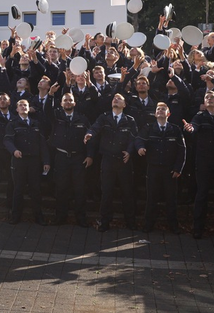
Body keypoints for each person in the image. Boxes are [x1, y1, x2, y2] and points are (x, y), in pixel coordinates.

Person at [85, 93, 138, 231]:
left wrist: (129, 151)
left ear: (124, 105)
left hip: (124, 161)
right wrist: (89, 133)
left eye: (119, 99)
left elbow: (134, 138)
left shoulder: (130, 120)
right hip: (107, 160)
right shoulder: (104, 117)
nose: (115, 100)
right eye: (114, 98)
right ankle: (104, 221)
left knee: (127, 193)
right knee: (106, 192)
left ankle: (130, 222)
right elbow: (95, 127)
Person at [183, 91, 214, 238]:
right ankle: (198, 228)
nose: (209, 100)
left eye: (212, 98)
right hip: (203, 161)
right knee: (202, 194)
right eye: (207, 98)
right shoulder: (199, 116)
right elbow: (194, 127)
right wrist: (190, 129)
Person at [135, 102, 185, 233]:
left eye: (163, 109)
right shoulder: (149, 128)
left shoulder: (175, 129)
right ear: (155, 113)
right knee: (151, 197)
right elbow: (139, 139)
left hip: (170, 169)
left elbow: (182, 150)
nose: (161, 111)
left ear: (168, 114)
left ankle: (173, 226)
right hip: (153, 168)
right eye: (158, 109)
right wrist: (140, 147)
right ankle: (148, 225)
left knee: (171, 199)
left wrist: (178, 168)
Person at [45, 91, 91, 227]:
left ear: (74, 103)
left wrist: (90, 155)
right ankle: (60, 217)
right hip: (61, 157)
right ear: (61, 103)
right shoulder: (56, 117)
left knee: (80, 189)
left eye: (70, 100)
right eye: (65, 100)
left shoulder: (82, 119)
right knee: (61, 188)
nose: (68, 103)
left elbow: (90, 138)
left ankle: (81, 218)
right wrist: (51, 95)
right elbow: (47, 109)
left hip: (78, 158)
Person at [3, 99, 50, 225]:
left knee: (36, 189)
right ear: (17, 109)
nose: (23, 107)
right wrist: (14, 151)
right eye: (20, 105)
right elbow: (7, 140)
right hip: (19, 161)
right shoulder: (12, 123)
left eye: (25, 105)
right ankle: (15, 217)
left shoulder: (36, 124)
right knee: (18, 189)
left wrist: (46, 161)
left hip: (34, 161)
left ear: (29, 109)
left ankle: (38, 217)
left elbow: (42, 144)